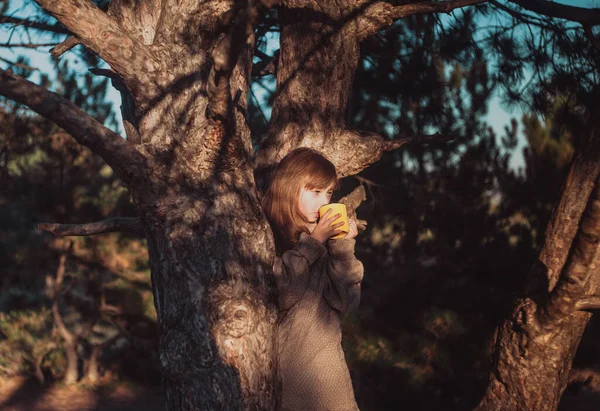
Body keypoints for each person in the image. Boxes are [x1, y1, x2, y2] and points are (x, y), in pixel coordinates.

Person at [262, 147, 364, 411]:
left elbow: (346, 301)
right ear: (290, 187)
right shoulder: (267, 236)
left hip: (330, 378)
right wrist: (314, 242)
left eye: (329, 192)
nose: (324, 201)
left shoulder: (324, 241)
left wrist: (342, 246)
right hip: (290, 381)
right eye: (315, 191)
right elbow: (282, 294)